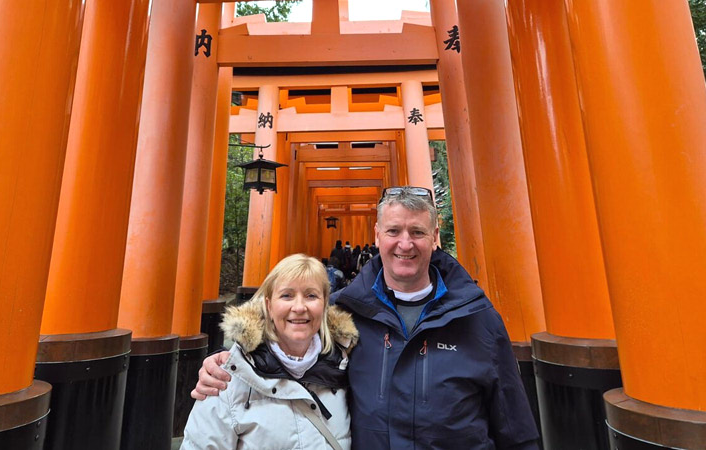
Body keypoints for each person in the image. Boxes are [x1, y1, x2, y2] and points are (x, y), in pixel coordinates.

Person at [193, 187, 539, 449]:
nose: (405, 243)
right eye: (393, 231)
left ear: (436, 237)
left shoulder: (477, 317)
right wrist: (225, 364)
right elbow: (282, 345)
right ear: (377, 235)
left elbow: (515, 428)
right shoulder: (341, 315)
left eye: (417, 232)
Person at [182, 253, 358, 450]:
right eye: (286, 295)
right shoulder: (227, 378)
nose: (299, 307)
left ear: (324, 303)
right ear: (269, 305)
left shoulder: (346, 368)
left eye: (311, 295)